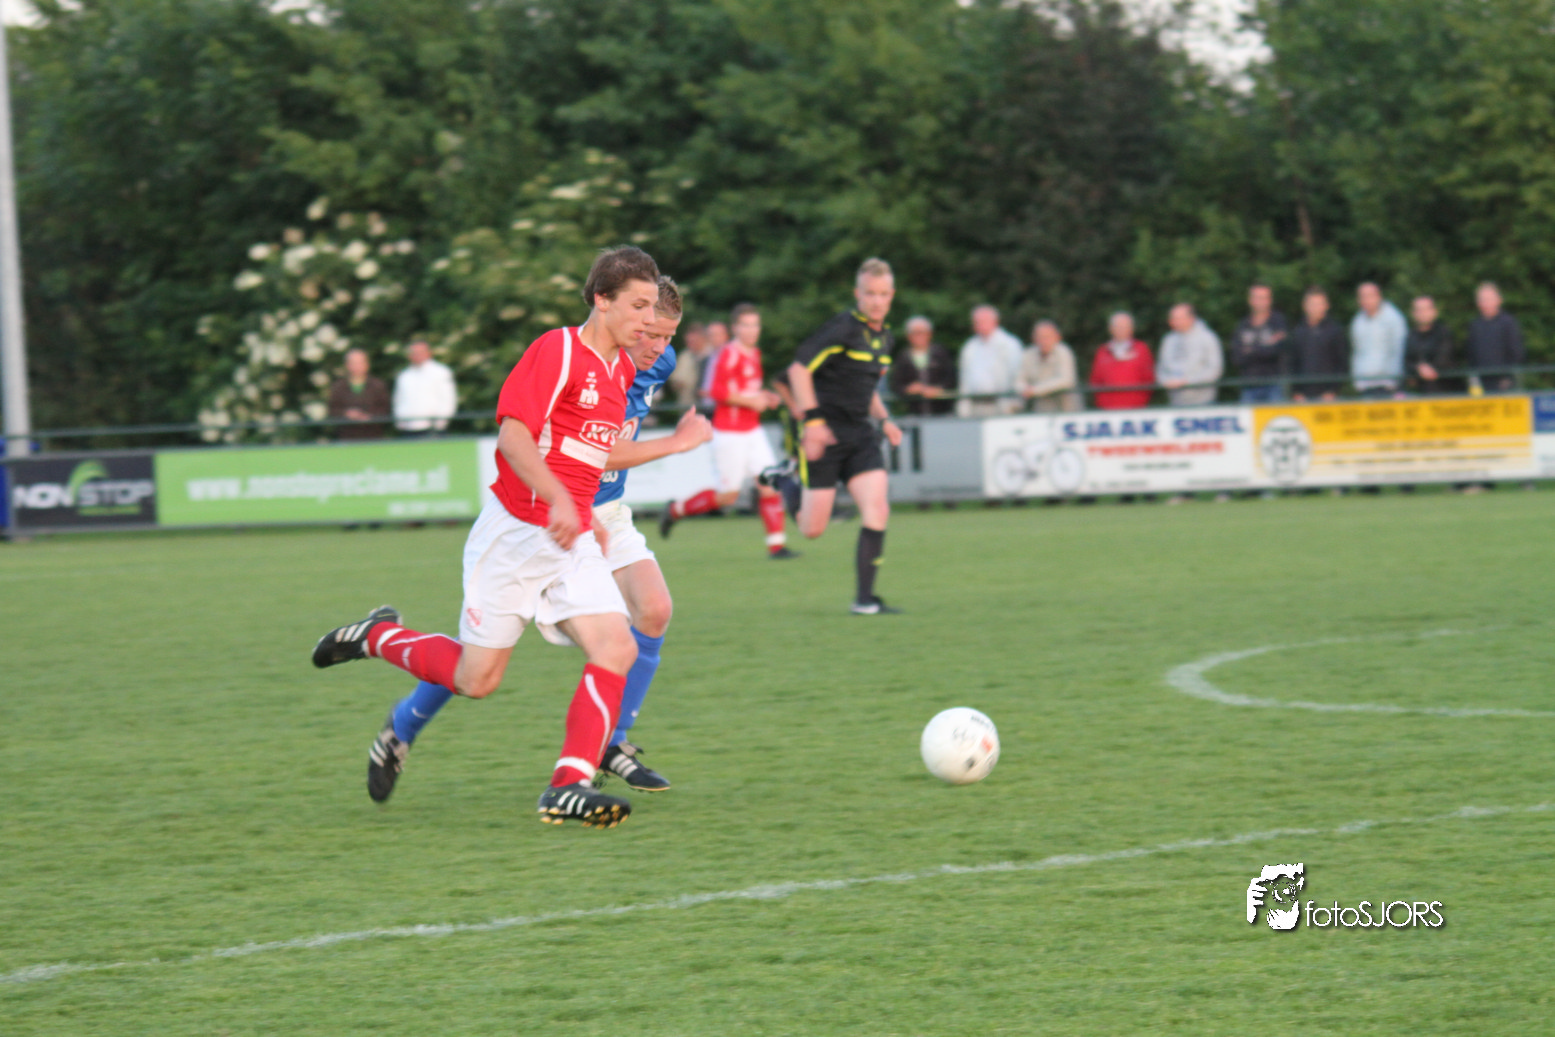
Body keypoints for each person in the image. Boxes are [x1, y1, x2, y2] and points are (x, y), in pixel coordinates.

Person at [312, 246, 663, 829]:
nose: (648, 321)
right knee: (477, 680)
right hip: (515, 535)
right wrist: (557, 498)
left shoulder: (620, 370)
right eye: (639, 305)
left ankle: (567, 785)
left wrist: (586, 512)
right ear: (602, 300)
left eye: (653, 308)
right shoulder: (557, 350)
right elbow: (513, 438)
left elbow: (587, 453)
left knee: (617, 647)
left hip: (570, 537)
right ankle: (376, 636)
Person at [778, 257, 904, 614]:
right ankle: (785, 482)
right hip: (825, 435)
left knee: (878, 509)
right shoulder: (842, 328)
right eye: (870, 293)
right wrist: (814, 422)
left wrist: (886, 419)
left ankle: (865, 600)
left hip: (861, 435)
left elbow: (867, 388)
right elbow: (798, 370)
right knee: (812, 529)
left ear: (892, 295)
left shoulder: (886, 338)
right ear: (857, 293)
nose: (876, 301)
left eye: (883, 294)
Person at [659, 304, 797, 559]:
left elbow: (746, 389)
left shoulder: (754, 353)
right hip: (730, 433)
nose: (751, 330)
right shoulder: (728, 353)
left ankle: (777, 546)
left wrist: (765, 396)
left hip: (753, 431)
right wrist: (752, 402)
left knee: (769, 484)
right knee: (727, 497)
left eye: (755, 324)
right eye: (745, 325)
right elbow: (716, 391)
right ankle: (676, 510)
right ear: (735, 328)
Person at [956, 305, 1024, 417]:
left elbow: (1017, 375)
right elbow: (964, 380)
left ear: (995, 322)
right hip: (976, 407)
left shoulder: (1009, 344)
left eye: (983, 321)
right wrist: (963, 409)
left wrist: (1014, 404)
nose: (979, 325)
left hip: (1002, 406)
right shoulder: (970, 347)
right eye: (976, 322)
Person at [1229, 283, 1289, 402]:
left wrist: (1251, 350)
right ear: (1250, 300)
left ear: (1270, 300)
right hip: (1249, 386)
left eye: (1263, 298)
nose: (1260, 302)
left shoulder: (1278, 322)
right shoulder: (1243, 325)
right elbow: (1236, 357)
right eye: (1256, 297)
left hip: (1274, 386)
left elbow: (1276, 351)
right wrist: (1265, 346)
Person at [1288, 286, 1349, 402]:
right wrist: (1296, 392)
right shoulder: (1297, 331)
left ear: (1326, 306)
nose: (1315, 308)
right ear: (1304, 306)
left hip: (1329, 398)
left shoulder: (1335, 330)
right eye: (1312, 304)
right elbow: (1292, 363)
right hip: (1303, 398)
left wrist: (1333, 391)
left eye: (1319, 304)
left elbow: (1342, 363)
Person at [1156, 303, 1223, 407]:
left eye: (1178, 318)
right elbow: (1160, 368)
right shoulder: (1168, 340)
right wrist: (1166, 382)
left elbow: (1214, 370)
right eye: (1172, 318)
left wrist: (1188, 382)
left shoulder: (1208, 338)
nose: (1174, 322)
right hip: (1175, 402)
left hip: (1204, 401)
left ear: (1191, 318)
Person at [1463, 282, 1525, 393]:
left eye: (1489, 299)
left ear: (1499, 300)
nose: (1485, 303)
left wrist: (1507, 377)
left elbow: (1516, 352)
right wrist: (1473, 377)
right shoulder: (1474, 325)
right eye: (1482, 300)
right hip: (1481, 383)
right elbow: (1471, 354)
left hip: (1505, 383)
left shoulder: (1508, 323)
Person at [888, 316, 957, 415]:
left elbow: (952, 379)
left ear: (930, 334)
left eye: (922, 333)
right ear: (908, 336)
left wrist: (938, 390)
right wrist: (909, 389)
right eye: (915, 333)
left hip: (942, 412)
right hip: (914, 413)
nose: (919, 336)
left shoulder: (941, 354)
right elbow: (895, 385)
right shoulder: (903, 358)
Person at [1349, 282, 1407, 397]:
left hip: (1388, 384)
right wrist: (1357, 380)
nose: (1366, 300)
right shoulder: (1358, 321)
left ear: (1379, 296)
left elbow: (1398, 350)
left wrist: (1395, 382)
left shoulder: (1393, 318)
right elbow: (1357, 351)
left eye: (1370, 296)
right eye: (1362, 296)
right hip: (1365, 384)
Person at [1089, 312, 1154, 410]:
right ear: (1111, 329)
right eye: (1118, 326)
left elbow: (1149, 379)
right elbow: (1095, 381)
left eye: (1124, 327)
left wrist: (1140, 401)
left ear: (1131, 329)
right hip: (1108, 410)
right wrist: (1103, 403)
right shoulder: (1102, 351)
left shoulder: (1141, 349)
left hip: (1136, 409)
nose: (1121, 330)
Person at [393, 338, 458, 434]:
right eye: (414, 352)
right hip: (408, 428)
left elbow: (448, 399)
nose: (417, 355)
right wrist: (400, 421)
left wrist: (440, 423)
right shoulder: (404, 375)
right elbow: (398, 400)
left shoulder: (441, 372)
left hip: (432, 427)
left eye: (420, 352)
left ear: (429, 353)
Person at [327, 348, 391, 439]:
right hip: (346, 436)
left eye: (360, 363)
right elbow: (332, 410)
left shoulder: (378, 385)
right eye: (353, 363)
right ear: (347, 365)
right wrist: (347, 414)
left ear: (367, 364)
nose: (357, 366)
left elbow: (385, 409)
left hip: (373, 436)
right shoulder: (338, 387)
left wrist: (369, 417)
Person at [1018, 320, 1082, 412]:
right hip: (1041, 409)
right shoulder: (1028, 354)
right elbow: (1018, 380)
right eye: (1040, 337)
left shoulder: (1064, 352)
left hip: (1067, 410)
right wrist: (1024, 389)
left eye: (1047, 337)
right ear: (1034, 338)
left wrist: (1035, 390)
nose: (1043, 341)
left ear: (1057, 337)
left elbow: (1066, 380)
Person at [1403, 295, 1455, 395]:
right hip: (1418, 393)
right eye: (1419, 310)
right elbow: (1407, 361)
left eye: (1426, 309)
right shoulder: (1410, 336)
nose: (1423, 313)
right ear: (1413, 313)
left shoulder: (1444, 333)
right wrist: (1418, 368)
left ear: (1434, 311)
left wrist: (1429, 369)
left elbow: (1445, 358)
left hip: (1445, 392)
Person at [667, 321, 709, 408]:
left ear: (703, 338)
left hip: (708, 406)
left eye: (694, 341)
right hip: (687, 404)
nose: (691, 344)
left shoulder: (713, 355)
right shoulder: (684, 356)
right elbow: (675, 381)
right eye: (689, 341)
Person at [697, 320, 731, 412]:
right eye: (711, 335)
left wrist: (712, 393)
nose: (714, 338)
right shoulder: (706, 359)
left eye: (717, 334)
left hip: (724, 408)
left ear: (726, 336)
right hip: (706, 407)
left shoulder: (732, 358)